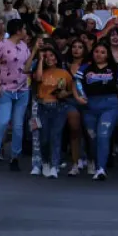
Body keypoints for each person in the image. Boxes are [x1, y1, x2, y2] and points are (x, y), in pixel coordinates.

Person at [74, 40, 118, 181]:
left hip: (109, 106)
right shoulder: (85, 68)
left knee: (104, 135)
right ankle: (94, 160)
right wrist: (79, 96)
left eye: (103, 52)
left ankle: (101, 168)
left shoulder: (115, 69)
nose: (99, 54)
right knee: (92, 137)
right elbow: (76, 83)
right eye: (97, 51)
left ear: (107, 55)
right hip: (89, 106)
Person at [0, 19, 35, 171]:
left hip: (23, 90)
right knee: (2, 122)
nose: (26, 32)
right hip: (5, 90)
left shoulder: (24, 46)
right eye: (24, 29)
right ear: (18, 30)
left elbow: (27, 66)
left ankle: (15, 156)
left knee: (18, 125)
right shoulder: (1, 46)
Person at [34, 46, 72, 178]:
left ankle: (55, 166)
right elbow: (38, 79)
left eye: (52, 55)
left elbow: (72, 89)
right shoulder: (41, 71)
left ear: (56, 57)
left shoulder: (64, 73)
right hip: (42, 106)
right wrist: (40, 60)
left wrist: (64, 93)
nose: (49, 58)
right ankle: (45, 162)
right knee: (44, 137)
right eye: (46, 56)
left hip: (59, 107)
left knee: (56, 136)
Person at [65, 38, 89, 176]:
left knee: (88, 132)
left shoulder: (89, 66)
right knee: (74, 130)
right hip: (70, 101)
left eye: (80, 47)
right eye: (74, 46)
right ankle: (75, 162)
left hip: (87, 102)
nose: (76, 49)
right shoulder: (64, 65)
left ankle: (90, 159)